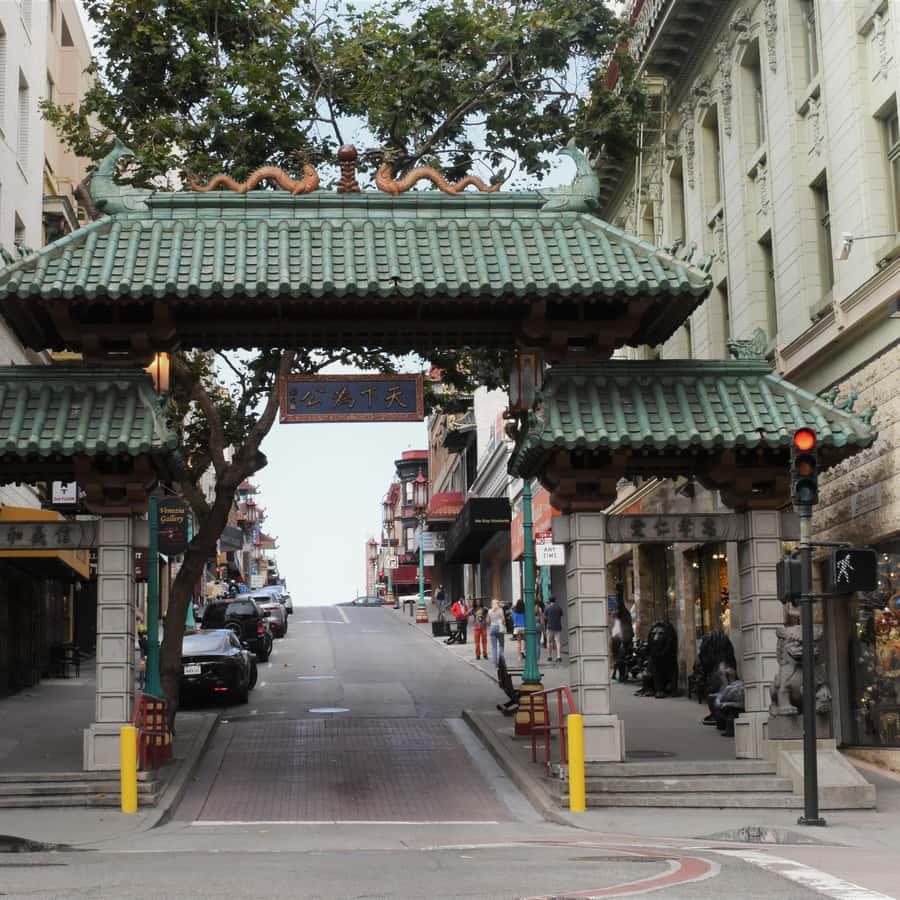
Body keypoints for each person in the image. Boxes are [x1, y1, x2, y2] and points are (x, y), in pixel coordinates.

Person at [544, 594, 563, 663]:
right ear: (555, 600)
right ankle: (559, 656)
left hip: (550, 627)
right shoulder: (559, 607)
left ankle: (549, 656)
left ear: (549, 600)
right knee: (558, 642)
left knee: (549, 642)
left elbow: (545, 617)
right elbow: (561, 615)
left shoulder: (547, 608)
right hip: (558, 627)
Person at [488, 598, 506, 666]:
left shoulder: (490, 611)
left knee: (494, 647)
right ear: (498, 604)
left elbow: (488, 621)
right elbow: (503, 620)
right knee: (501, 645)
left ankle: (495, 663)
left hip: (492, 628)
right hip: (499, 628)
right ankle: (501, 661)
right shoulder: (500, 610)